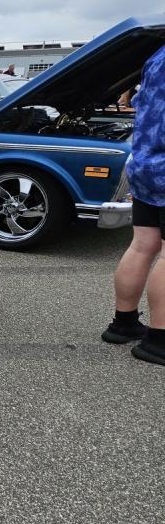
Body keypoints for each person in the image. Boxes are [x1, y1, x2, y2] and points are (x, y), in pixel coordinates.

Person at [103, 43, 165, 366]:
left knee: (142, 244)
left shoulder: (155, 57)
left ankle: (123, 323)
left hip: (144, 165)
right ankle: (159, 340)